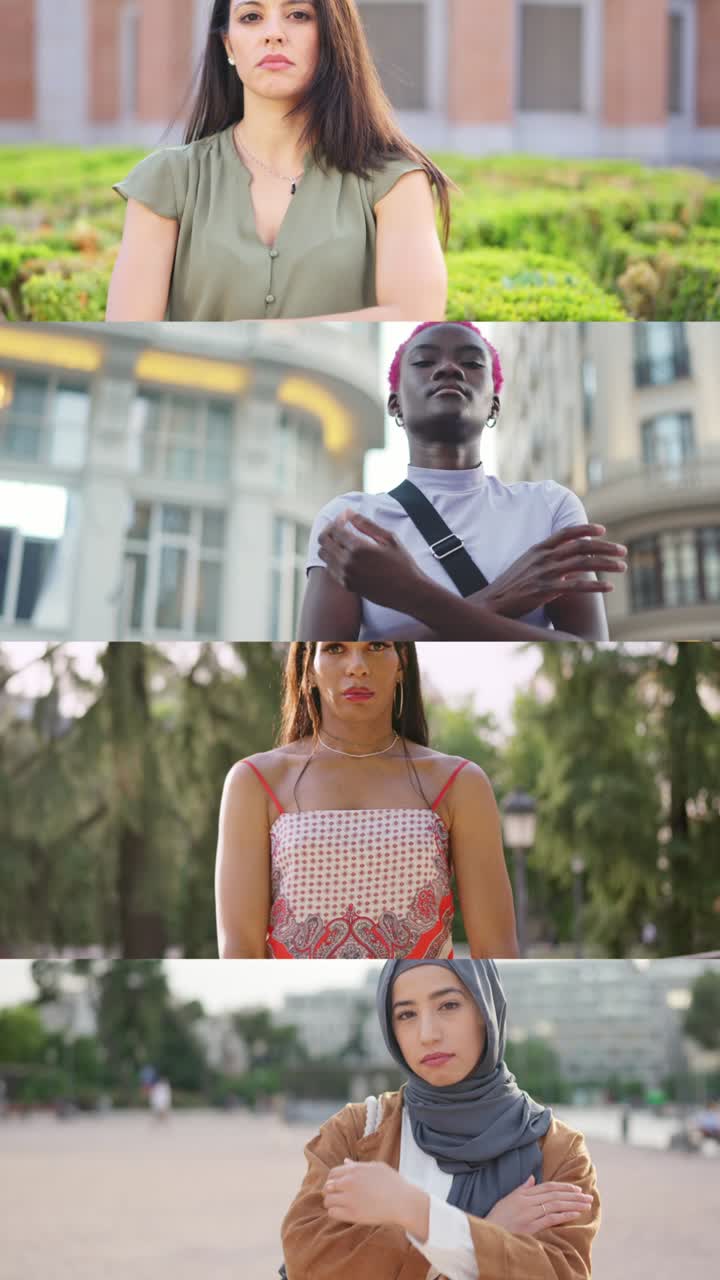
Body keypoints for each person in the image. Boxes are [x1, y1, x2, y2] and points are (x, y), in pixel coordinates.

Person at [107, 0, 449, 321]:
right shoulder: (167, 180)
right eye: (251, 17)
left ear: (331, 35)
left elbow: (414, 314)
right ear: (228, 45)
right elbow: (129, 335)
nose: (273, 34)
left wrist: (267, 336)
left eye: (298, 14)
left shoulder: (394, 180)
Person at [299, 321, 629, 642]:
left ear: (494, 405)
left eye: (471, 363)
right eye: (425, 361)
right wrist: (498, 600)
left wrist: (412, 593)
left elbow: (588, 651)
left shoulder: (549, 507)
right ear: (395, 403)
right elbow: (328, 661)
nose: (448, 369)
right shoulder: (350, 522)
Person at [282, 959, 600, 1280]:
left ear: (484, 1010)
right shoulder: (355, 1132)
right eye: (406, 1014)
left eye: (448, 1005)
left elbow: (562, 1273)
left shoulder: (558, 1150)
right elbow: (308, 1261)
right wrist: (486, 1233)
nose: (428, 1034)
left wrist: (414, 1211)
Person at [215, 643, 518, 959]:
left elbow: (496, 949)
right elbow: (241, 950)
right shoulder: (254, 782)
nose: (357, 666)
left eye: (376, 646)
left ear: (401, 664)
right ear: (308, 671)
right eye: (335, 649)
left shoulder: (459, 782)